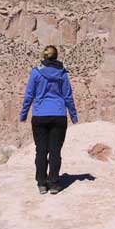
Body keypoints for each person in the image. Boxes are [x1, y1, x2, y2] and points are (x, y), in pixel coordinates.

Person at [18, 45, 78, 194]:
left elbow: (29, 95)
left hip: (39, 116)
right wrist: (73, 115)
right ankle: (54, 183)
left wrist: (24, 114)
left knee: (41, 151)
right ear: (56, 56)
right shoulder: (62, 73)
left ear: (44, 57)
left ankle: (41, 183)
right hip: (58, 115)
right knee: (55, 151)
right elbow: (68, 96)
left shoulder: (36, 73)